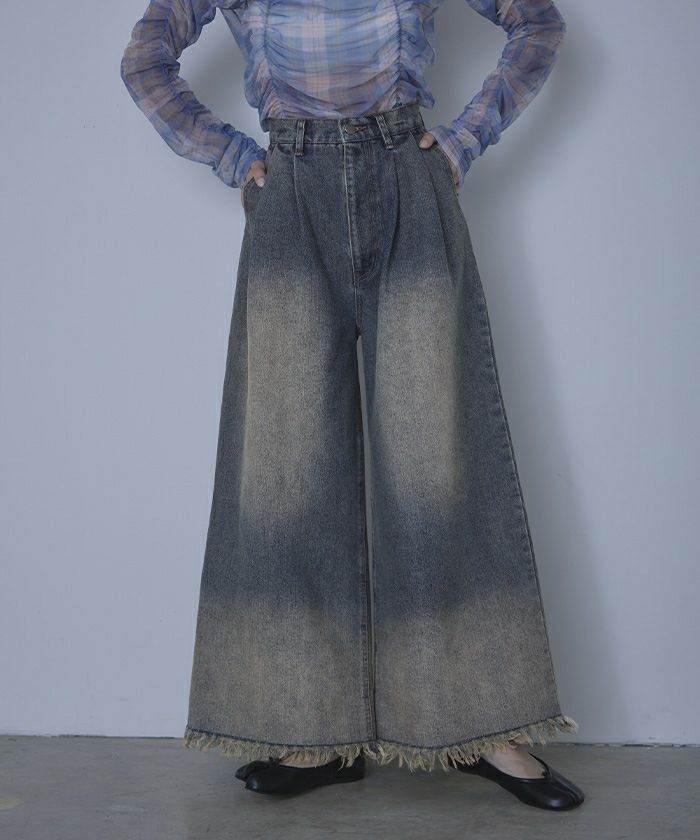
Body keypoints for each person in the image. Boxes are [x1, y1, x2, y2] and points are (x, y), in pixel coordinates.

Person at [120, 0, 584, 810]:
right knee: (286, 474)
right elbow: (145, 60)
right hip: (290, 193)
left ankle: (480, 727)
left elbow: (537, 23)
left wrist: (466, 138)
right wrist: (231, 155)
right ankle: (313, 732)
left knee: (436, 462)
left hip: (409, 177)